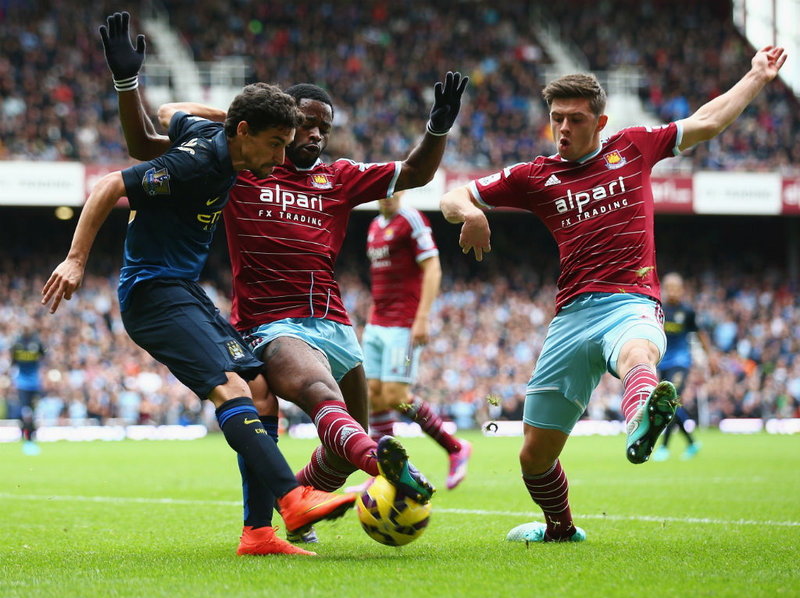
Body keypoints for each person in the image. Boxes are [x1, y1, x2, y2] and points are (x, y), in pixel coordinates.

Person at [100, 12, 466, 543]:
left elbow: (415, 173)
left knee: (344, 443)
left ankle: (298, 499)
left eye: (324, 128)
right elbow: (156, 130)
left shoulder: (338, 177)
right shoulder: (241, 166)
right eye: (305, 125)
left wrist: (437, 128)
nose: (315, 135)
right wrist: (236, 117)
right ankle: (368, 471)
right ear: (282, 127)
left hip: (335, 324)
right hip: (271, 324)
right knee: (321, 396)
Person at [43, 14, 361, 557]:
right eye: (275, 144)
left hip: (183, 289)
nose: (281, 158)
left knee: (259, 390)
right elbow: (109, 184)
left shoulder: (217, 137)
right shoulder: (196, 165)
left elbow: (168, 113)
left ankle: (258, 534)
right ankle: (293, 500)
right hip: (154, 293)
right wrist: (75, 260)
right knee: (232, 390)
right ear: (245, 134)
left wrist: (136, 86)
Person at [440, 45, 786, 543]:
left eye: (575, 120)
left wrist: (755, 75)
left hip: (631, 301)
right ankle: (561, 529)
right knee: (533, 456)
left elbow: (707, 122)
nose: (563, 129)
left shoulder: (634, 147)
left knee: (637, 352)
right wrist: (472, 213)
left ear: (600, 122)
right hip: (570, 318)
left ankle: (641, 415)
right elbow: (453, 195)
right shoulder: (535, 175)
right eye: (556, 119)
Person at [361, 189, 472, 490]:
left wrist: (421, 318)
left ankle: (455, 448)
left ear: (403, 191)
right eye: (383, 189)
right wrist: (371, 319)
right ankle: (383, 474)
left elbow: (433, 267)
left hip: (403, 323)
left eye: (395, 188)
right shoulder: (374, 226)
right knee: (374, 396)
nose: (388, 195)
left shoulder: (411, 219)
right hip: (376, 323)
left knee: (395, 395)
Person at [652, 272, 714, 461]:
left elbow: (700, 334)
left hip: (681, 362)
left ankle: (664, 448)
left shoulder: (687, 311)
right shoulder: (658, 309)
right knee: (670, 404)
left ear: (681, 290)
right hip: (663, 362)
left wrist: (711, 356)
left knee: (670, 401)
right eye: (669, 288)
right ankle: (691, 442)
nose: (672, 291)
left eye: (675, 288)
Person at [11, 321, 46, 455]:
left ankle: (31, 436)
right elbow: (13, 361)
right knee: (26, 412)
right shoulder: (17, 344)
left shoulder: (37, 343)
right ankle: (27, 438)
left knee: (34, 412)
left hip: (35, 383)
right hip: (22, 383)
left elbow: (44, 353)